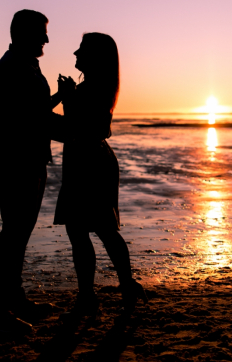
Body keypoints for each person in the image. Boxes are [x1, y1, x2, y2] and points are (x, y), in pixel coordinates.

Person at [54, 32, 147, 320]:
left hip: (89, 162)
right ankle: (119, 288)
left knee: (89, 230)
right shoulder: (96, 86)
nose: (75, 54)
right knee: (96, 229)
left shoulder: (96, 88)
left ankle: (92, 296)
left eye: (81, 49)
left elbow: (85, 129)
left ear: (95, 56)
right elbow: (79, 128)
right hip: (90, 159)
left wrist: (63, 101)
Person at [0, 9, 64, 333]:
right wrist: (80, 129)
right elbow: (29, 119)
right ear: (23, 34)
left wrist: (59, 97)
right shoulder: (12, 69)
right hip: (16, 161)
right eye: (42, 32)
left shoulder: (26, 64)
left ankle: (13, 300)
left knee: (18, 235)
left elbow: (35, 109)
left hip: (28, 159)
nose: (46, 38)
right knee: (13, 236)